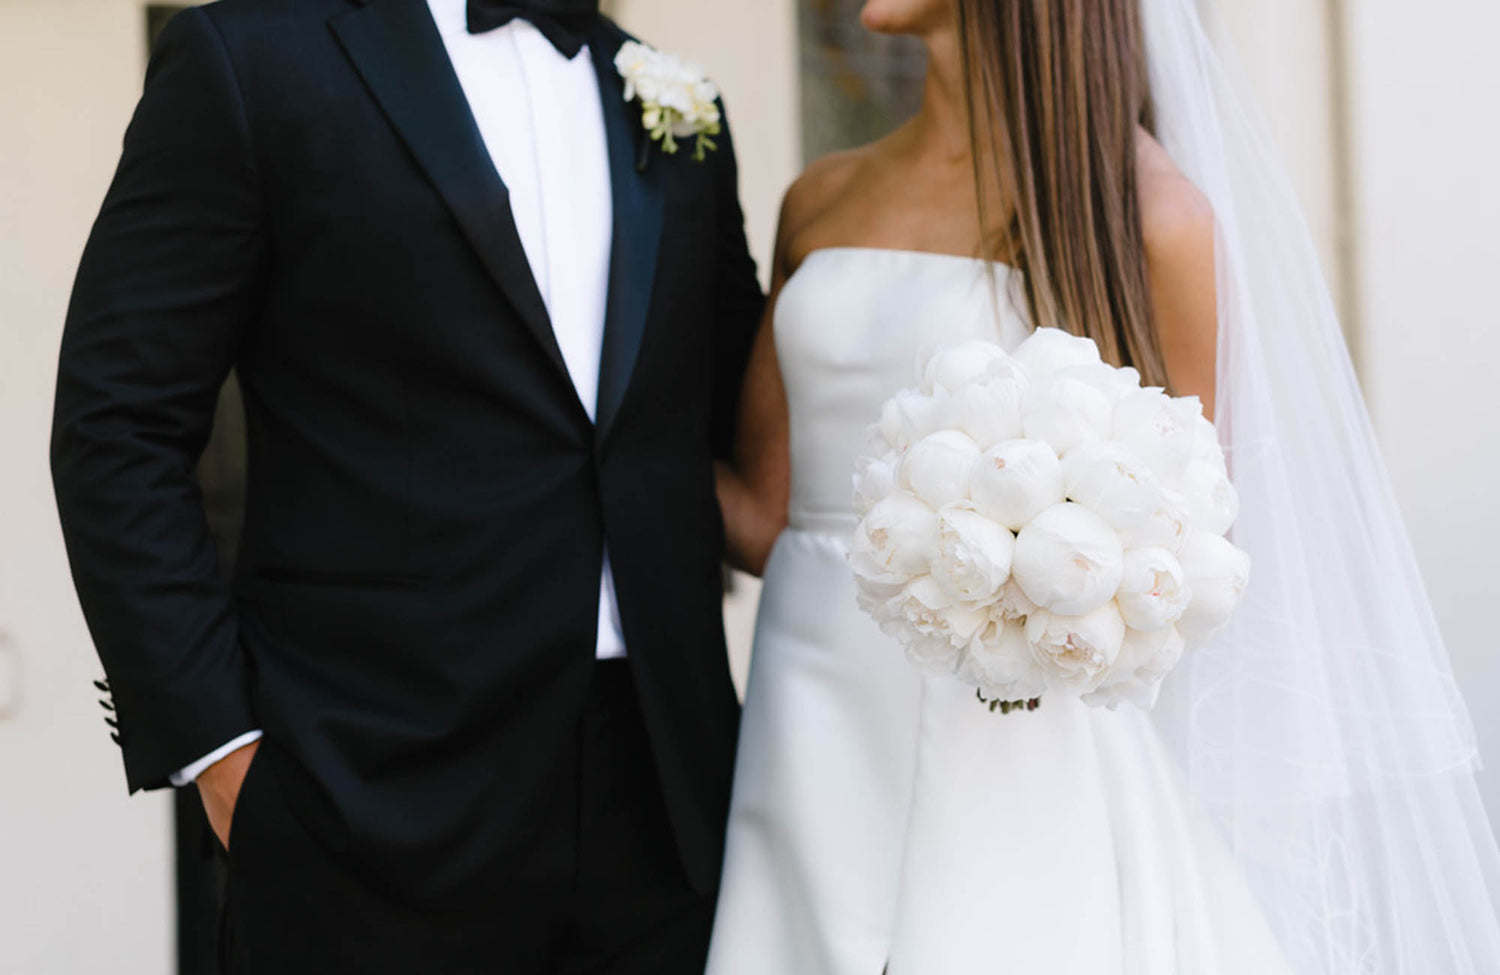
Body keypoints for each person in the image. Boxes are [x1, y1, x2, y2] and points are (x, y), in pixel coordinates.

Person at [706, 0, 1500, 972]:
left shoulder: (1150, 219)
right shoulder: (819, 199)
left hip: (1020, 759)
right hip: (810, 734)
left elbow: (1190, 555)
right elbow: (758, 515)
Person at [50, 0, 762, 971]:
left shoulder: (674, 103)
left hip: (665, 798)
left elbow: (719, 419)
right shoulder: (251, 58)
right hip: (367, 788)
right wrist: (221, 753)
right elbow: (117, 423)